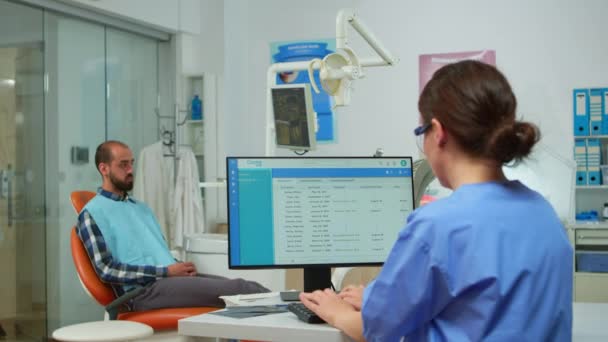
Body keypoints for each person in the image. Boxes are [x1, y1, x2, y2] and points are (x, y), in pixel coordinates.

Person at [300, 60, 573, 341]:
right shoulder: (544, 214)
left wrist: (337, 312)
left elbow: (377, 330)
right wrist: (372, 298)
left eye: (422, 134)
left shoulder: (437, 225)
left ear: (438, 132)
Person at [76, 140, 269, 311]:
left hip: (166, 281)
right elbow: (106, 271)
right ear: (104, 169)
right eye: (123, 165)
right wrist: (166, 272)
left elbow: (155, 252)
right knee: (240, 291)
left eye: (131, 164)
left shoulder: (140, 208)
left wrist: (178, 265)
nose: (130, 170)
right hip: (142, 292)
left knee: (249, 289)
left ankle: (290, 312)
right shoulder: (91, 214)